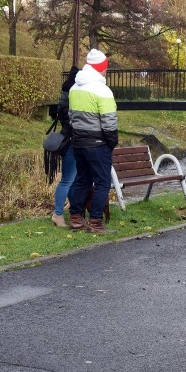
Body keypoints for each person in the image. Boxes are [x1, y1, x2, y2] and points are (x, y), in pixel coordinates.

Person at [67, 49, 118, 234]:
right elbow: (109, 122)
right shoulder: (102, 90)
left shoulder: (74, 88)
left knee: (82, 179)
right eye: (105, 68)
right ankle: (95, 222)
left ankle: (76, 218)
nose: (106, 71)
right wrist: (111, 142)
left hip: (78, 142)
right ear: (100, 69)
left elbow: (71, 116)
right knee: (103, 182)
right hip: (97, 144)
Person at [51, 66, 79, 228]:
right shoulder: (72, 98)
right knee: (68, 180)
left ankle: (73, 213)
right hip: (71, 141)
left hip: (67, 139)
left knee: (72, 179)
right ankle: (58, 214)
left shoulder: (65, 95)